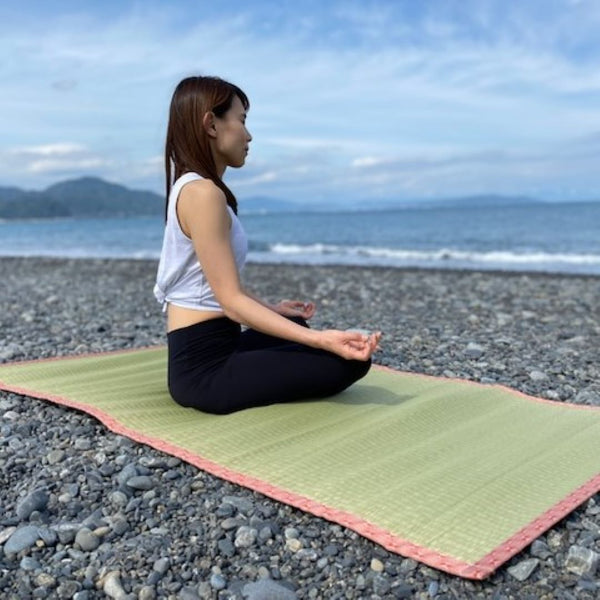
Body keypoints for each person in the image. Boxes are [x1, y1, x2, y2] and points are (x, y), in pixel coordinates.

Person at [154, 75, 381, 414]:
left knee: (297, 327)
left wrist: (274, 309)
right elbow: (230, 302)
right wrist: (322, 340)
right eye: (241, 121)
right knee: (349, 363)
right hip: (203, 371)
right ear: (211, 124)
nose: (248, 135)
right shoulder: (203, 194)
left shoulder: (195, 188)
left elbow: (219, 285)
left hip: (217, 343)